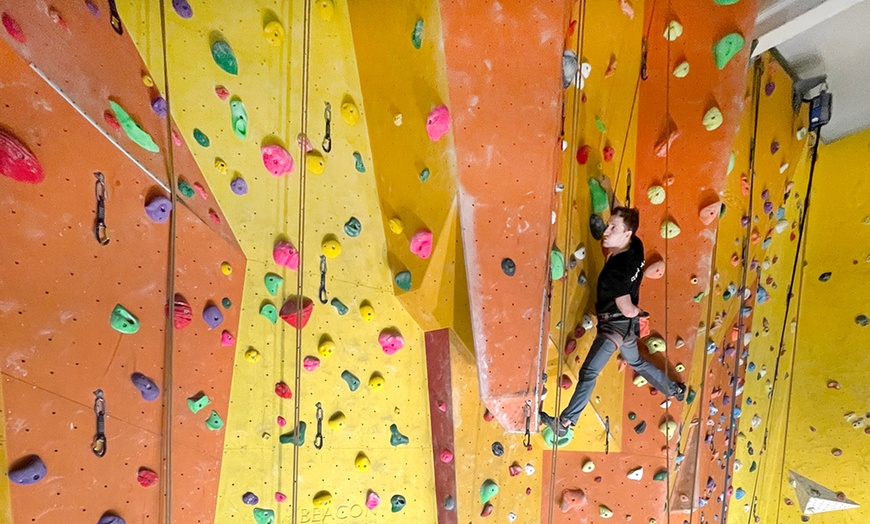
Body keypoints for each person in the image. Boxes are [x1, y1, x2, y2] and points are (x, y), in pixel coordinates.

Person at [541, 207, 685, 437]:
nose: (606, 231)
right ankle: (674, 389)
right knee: (636, 362)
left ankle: (566, 422)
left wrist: (639, 312)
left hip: (614, 328)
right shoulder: (636, 246)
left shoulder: (616, 273)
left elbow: (627, 309)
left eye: (612, 228)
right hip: (626, 331)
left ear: (626, 234)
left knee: (589, 372)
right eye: (609, 225)